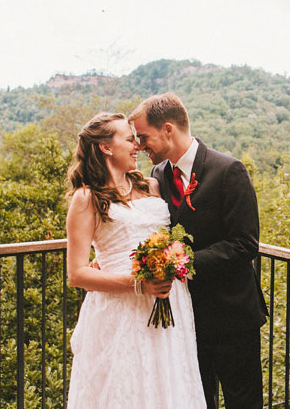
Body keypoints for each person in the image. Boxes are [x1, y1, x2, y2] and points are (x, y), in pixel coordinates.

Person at [129, 93, 268, 409]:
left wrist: (179, 263)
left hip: (232, 316)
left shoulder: (228, 171)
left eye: (143, 137)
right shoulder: (158, 176)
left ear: (167, 129)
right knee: (196, 399)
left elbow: (245, 244)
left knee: (242, 401)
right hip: (185, 319)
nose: (139, 146)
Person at [65, 112, 206, 409]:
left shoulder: (151, 186)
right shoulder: (86, 199)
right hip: (120, 309)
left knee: (167, 384)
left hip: (170, 303)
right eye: (130, 140)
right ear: (105, 147)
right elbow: (77, 274)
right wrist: (139, 284)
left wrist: (172, 260)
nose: (137, 147)